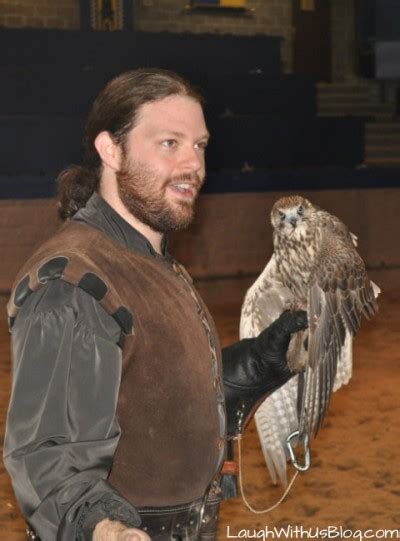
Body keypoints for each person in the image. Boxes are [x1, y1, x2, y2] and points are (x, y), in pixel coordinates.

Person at [4, 69, 307, 541]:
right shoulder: (75, 282)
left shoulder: (148, 261)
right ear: (111, 150)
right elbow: (49, 453)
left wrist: (260, 362)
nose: (194, 165)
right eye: (170, 143)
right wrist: (106, 528)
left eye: (200, 145)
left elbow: (149, 394)